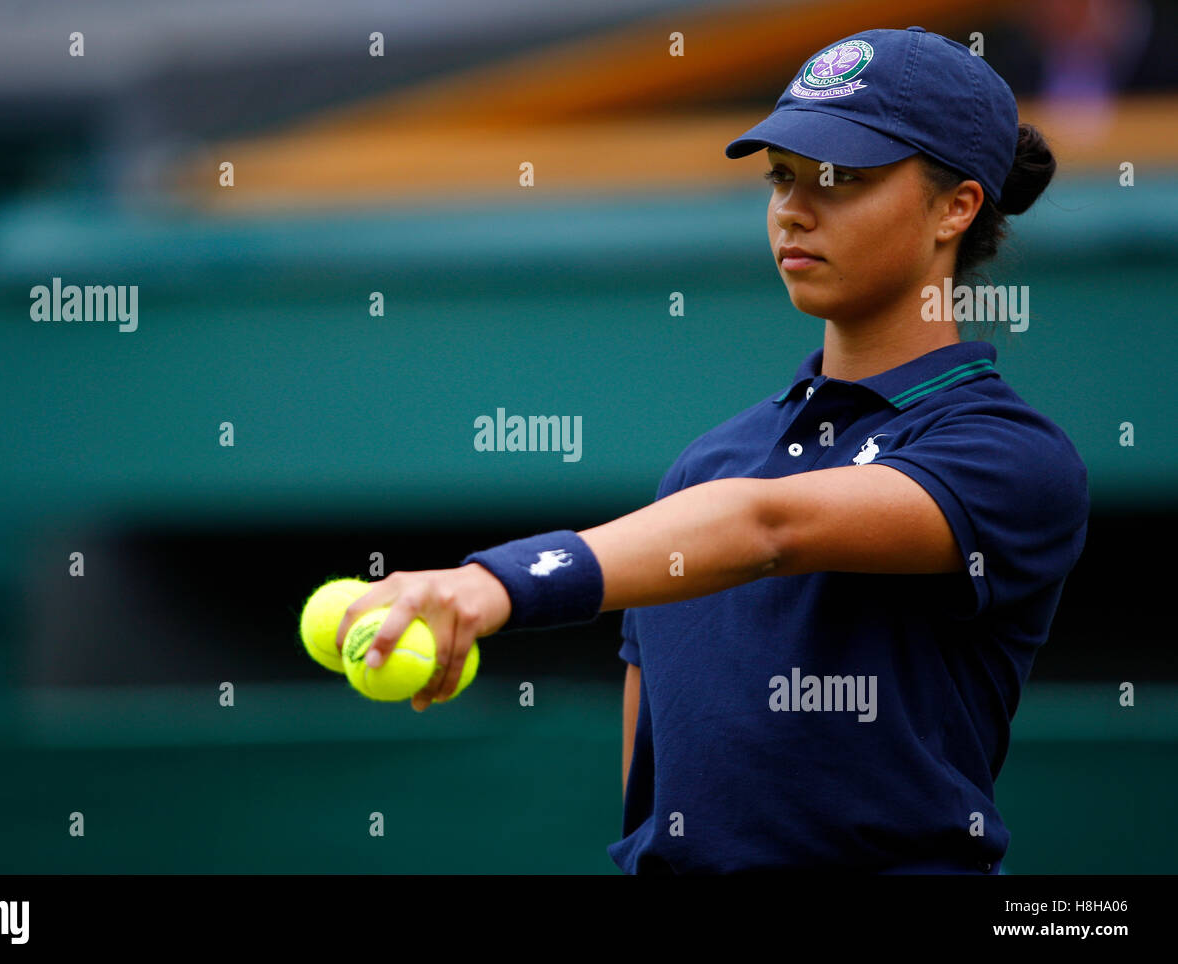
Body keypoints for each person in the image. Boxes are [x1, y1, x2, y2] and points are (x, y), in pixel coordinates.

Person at [334, 26, 1090, 874]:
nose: (794, 209)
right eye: (782, 178)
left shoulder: (1009, 456)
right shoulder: (708, 466)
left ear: (957, 206)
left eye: (843, 180)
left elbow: (766, 528)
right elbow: (651, 800)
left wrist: (493, 584)